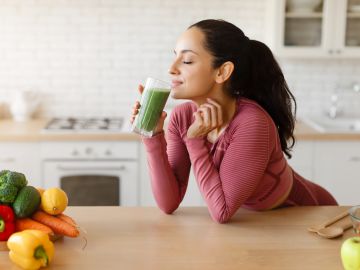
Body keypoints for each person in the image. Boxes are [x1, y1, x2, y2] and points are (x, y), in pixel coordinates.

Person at [130, 19, 337, 223]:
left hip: (308, 214)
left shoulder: (253, 123)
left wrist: (194, 141)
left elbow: (222, 212)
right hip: (258, 222)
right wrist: (153, 135)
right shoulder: (181, 118)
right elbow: (168, 203)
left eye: (187, 61)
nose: (171, 69)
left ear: (222, 72)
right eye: (175, 57)